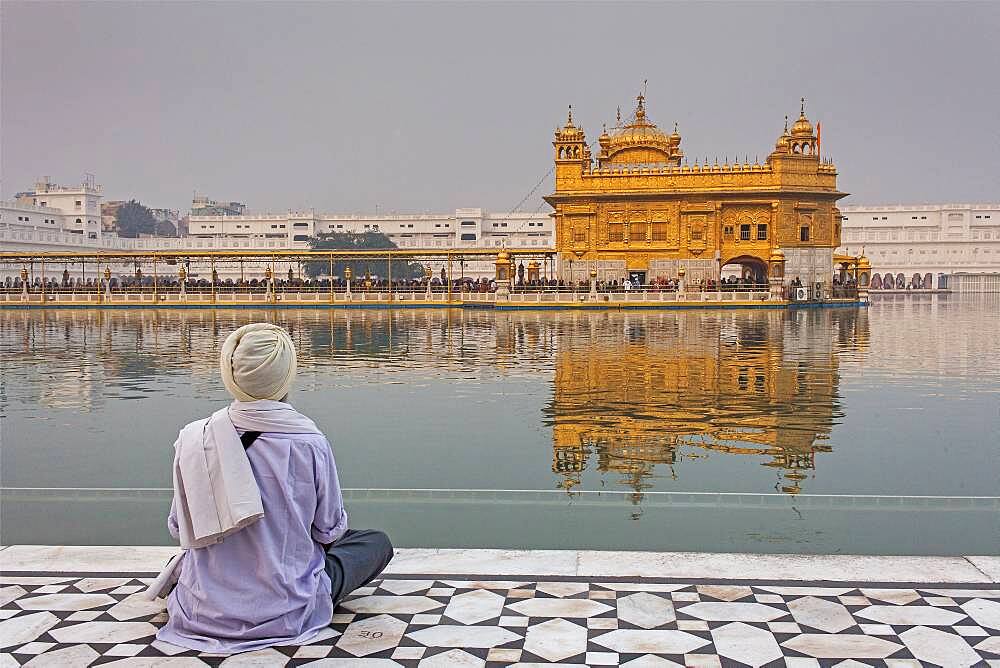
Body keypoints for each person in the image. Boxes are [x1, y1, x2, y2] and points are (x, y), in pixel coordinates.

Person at [154, 323, 393, 654]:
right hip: (287, 607)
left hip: (203, 607)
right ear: (286, 375)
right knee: (374, 542)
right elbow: (329, 530)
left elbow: (178, 527)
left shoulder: (195, 438)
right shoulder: (309, 441)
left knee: (195, 560)